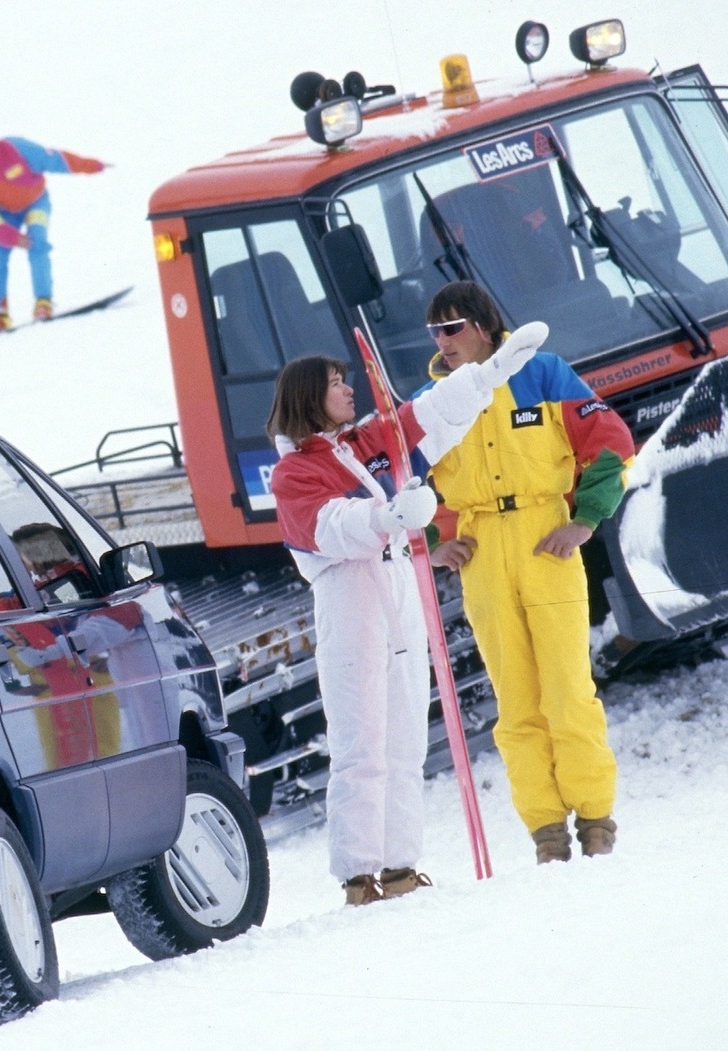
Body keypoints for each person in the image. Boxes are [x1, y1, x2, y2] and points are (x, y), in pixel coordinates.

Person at [268, 332, 543, 905]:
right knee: (361, 739)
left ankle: (399, 865)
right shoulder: (294, 471)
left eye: (346, 379)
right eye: (336, 383)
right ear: (308, 398)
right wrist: (388, 514)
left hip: (398, 591)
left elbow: (427, 417)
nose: (348, 388)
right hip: (351, 599)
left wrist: (482, 378)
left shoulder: (369, 439)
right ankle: (357, 873)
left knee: (405, 737)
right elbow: (324, 527)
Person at [418, 282, 635, 864]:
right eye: (434, 331)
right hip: (483, 550)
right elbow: (406, 486)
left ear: (484, 327)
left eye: (453, 326)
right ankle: (546, 832)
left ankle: (595, 819)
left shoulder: (545, 373)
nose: (442, 340)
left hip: (547, 540)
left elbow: (610, 443)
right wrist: (436, 541)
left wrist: (584, 521)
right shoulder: (433, 401)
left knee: (568, 691)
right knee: (516, 703)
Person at [0, 126, 105, 336]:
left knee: (37, 243)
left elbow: (56, 159)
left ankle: (43, 302)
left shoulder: (16, 148)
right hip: (6, 214)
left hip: (36, 203)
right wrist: (12, 237)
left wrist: (92, 165)